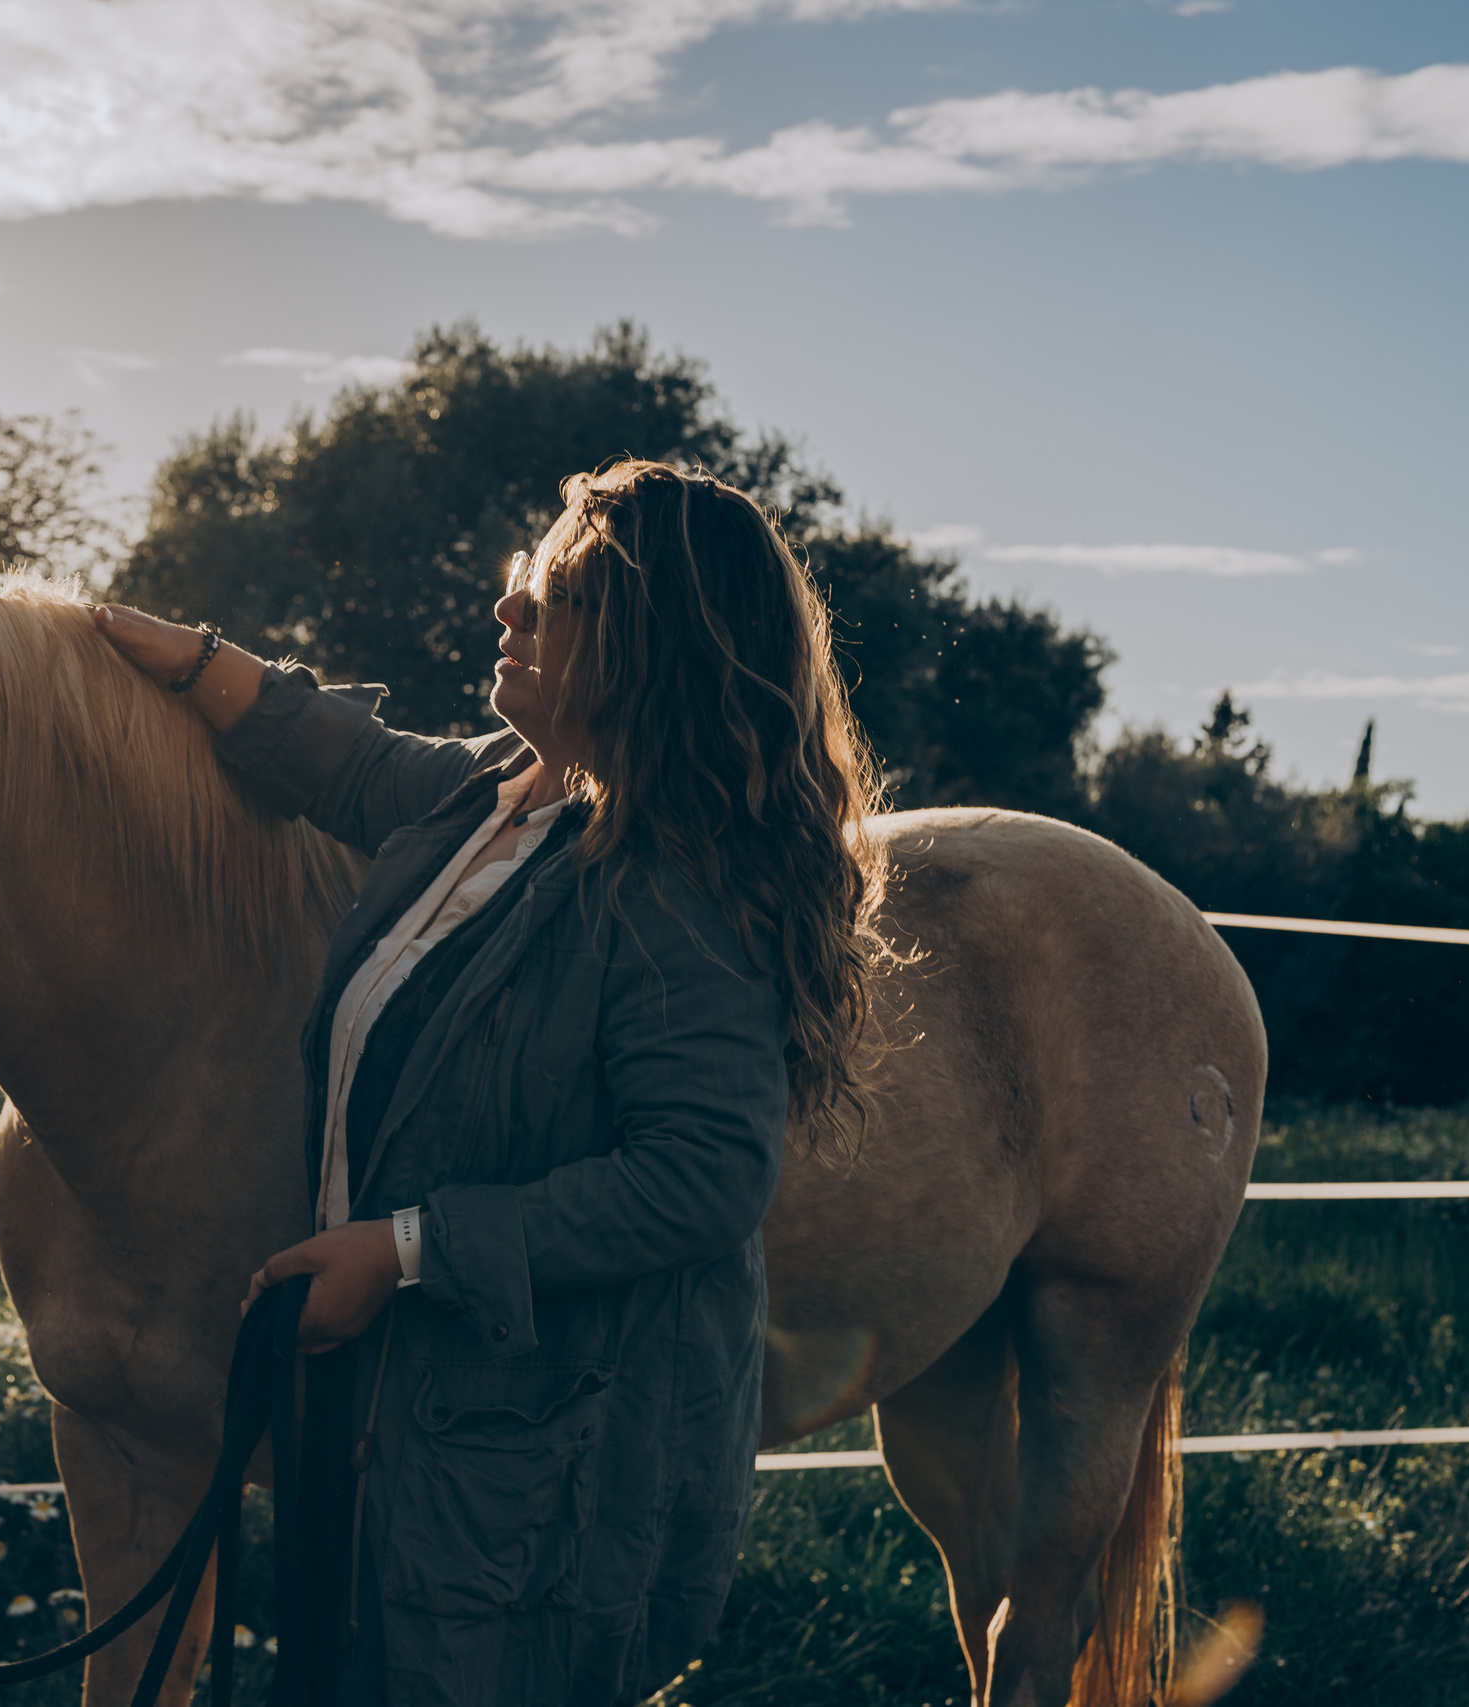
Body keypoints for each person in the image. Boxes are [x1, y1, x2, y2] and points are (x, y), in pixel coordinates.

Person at [92, 458, 883, 1705]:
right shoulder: (492, 796)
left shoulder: (678, 883)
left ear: (649, 645)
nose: (508, 607)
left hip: (536, 1467)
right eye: (526, 577)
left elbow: (706, 1175)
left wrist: (401, 1250)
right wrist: (158, 653)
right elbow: (344, 763)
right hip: (399, 1413)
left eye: (553, 593)